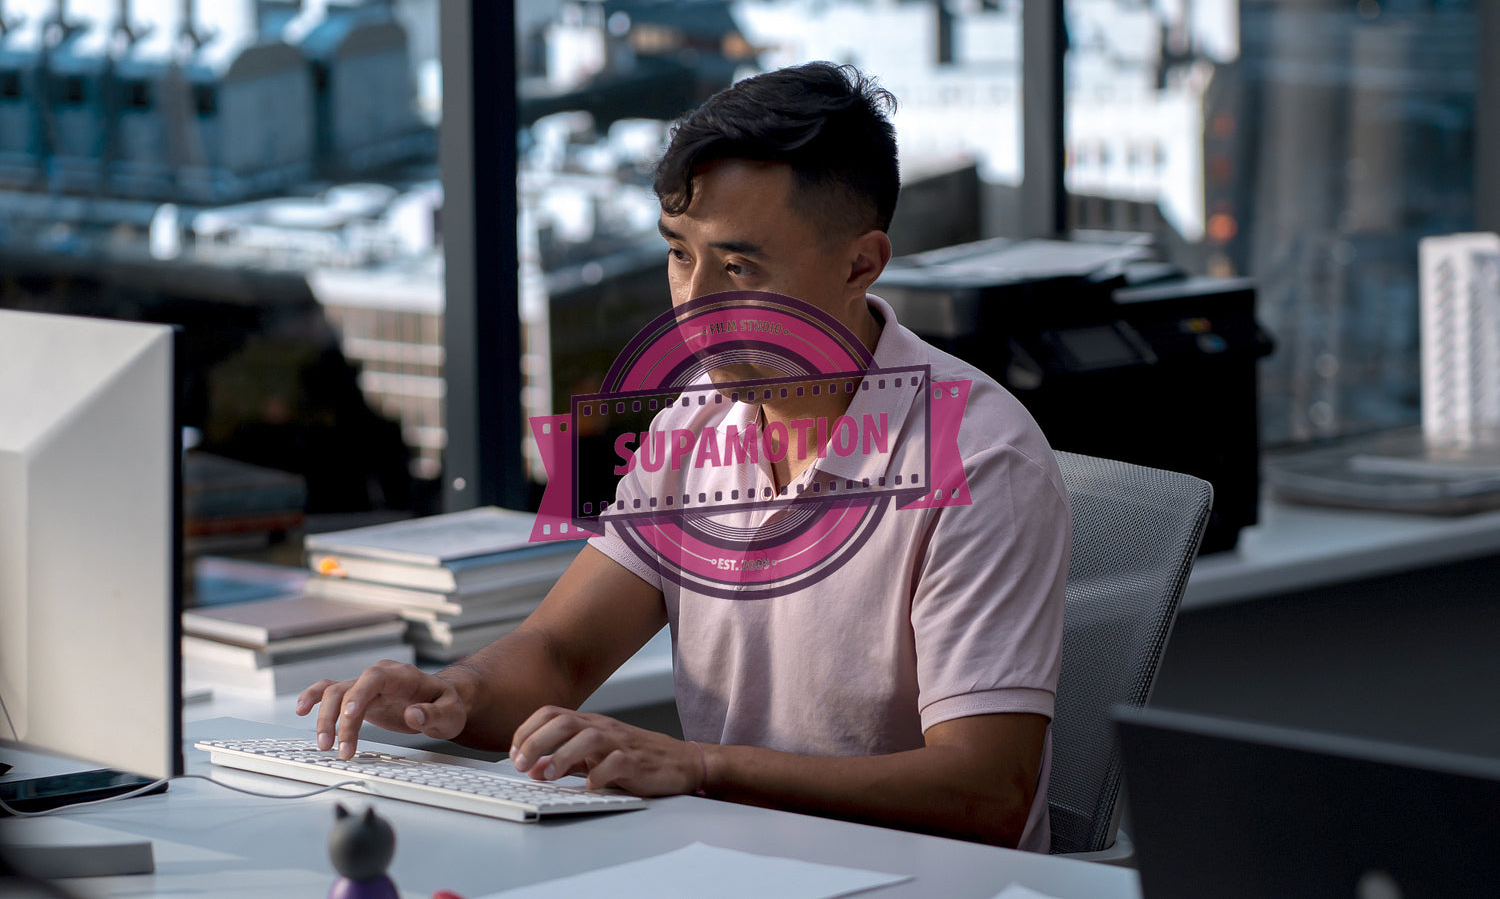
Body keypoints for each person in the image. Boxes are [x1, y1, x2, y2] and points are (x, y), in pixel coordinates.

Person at [298, 62, 1070, 851]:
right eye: (678, 254)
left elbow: (986, 792)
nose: (692, 304)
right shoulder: (700, 416)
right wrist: (450, 694)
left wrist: (702, 766)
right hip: (740, 867)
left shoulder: (977, 456)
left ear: (860, 264)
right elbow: (561, 652)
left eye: (738, 268)